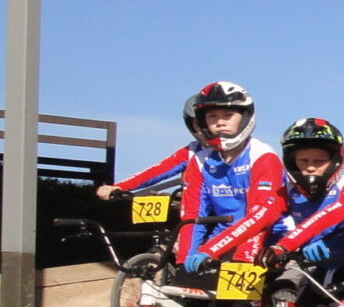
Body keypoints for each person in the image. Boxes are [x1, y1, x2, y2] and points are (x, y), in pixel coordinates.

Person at [97, 82, 285, 293]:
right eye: (210, 118)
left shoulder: (261, 156)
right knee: (186, 286)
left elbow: (262, 216)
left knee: (234, 298)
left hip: (259, 232)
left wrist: (211, 250)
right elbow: (159, 173)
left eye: (227, 116)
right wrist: (119, 187)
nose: (219, 124)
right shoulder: (196, 155)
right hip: (221, 230)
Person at [260, 118, 344, 305]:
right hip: (318, 267)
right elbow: (266, 220)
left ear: (334, 161)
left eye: (319, 161)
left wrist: (287, 245)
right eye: (303, 161)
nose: (310, 167)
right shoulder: (287, 192)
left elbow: (332, 216)